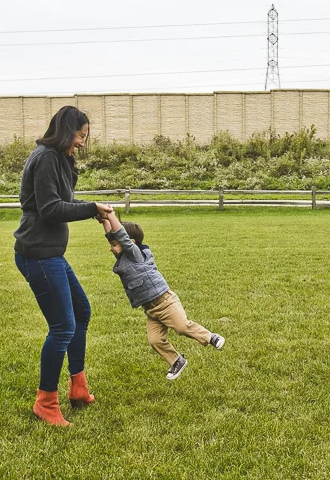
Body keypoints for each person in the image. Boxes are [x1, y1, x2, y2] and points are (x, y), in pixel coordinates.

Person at [13, 106, 114, 426]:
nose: (83, 142)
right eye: (80, 135)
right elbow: (50, 208)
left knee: (81, 312)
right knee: (62, 327)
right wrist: (91, 208)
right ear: (65, 130)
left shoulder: (55, 158)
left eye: (85, 136)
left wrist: (91, 208)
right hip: (38, 254)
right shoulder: (44, 158)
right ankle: (45, 402)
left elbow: (60, 200)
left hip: (50, 253)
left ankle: (78, 387)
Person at [97, 210, 225, 380]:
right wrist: (104, 220)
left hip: (165, 302)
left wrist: (111, 214)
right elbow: (113, 235)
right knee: (155, 341)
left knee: (181, 327)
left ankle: (211, 337)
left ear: (131, 242)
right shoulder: (124, 256)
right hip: (151, 310)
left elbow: (121, 236)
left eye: (114, 244)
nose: (111, 248)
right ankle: (176, 360)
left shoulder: (135, 254)